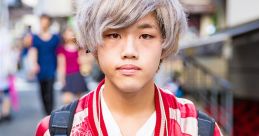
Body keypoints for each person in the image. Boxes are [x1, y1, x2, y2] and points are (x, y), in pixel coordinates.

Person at [36, 0, 222, 135]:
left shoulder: (197, 128)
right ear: (93, 43)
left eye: (146, 36)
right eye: (114, 35)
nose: (130, 51)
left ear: (164, 43)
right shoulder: (58, 129)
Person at [26, 14, 60, 115]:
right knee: (42, 92)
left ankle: (50, 114)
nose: (44, 23)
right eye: (42, 21)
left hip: (51, 67)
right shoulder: (35, 38)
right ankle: (46, 112)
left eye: (46, 21)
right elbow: (33, 51)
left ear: (49, 23)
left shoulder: (55, 37)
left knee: (50, 92)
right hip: (40, 69)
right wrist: (34, 64)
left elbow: (59, 53)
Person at [57, 27, 88, 104]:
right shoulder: (62, 49)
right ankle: (69, 116)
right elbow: (61, 65)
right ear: (64, 36)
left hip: (78, 75)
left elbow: (85, 59)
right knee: (67, 100)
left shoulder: (79, 47)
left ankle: (77, 116)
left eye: (71, 33)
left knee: (79, 101)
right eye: (68, 34)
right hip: (68, 76)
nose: (70, 35)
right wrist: (61, 79)